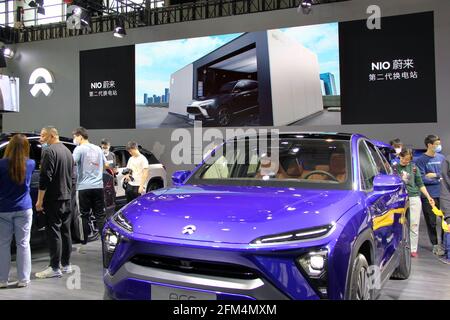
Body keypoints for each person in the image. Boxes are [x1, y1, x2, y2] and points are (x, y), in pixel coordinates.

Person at [35, 126, 74, 279]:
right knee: (65, 231)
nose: (40, 139)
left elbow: (45, 178)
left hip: (54, 199)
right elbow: (72, 176)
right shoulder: (67, 151)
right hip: (66, 197)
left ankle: (54, 267)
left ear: (51, 136)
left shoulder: (49, 151)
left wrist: (39, 200)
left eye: (43, 136)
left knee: (54, 232)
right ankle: (66, 264)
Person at [0, 135, 35, 288]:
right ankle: (23, 279)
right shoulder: (31, 163)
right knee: (23, 244)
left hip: (3, 209)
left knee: (3, 245)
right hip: (24, 208)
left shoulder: (1, 164)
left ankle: (2, 280)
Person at [392, 149, 434, 257]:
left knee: (414, 224)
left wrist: (428, 197)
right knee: (398, 223)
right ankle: (397, 247)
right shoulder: (394, 167)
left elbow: (420, 183)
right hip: (400, 198)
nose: (406, 161)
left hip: (414, 197)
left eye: (408, 160)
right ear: (400, 157)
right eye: (404, 159)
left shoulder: (414, 168)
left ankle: (413, 249)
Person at [72, 128, 108, 253]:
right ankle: (105, 241)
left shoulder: (79, 149)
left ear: (80, 136)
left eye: (75, 137)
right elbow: (106, 164)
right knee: (100, 215)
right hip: (98, 186)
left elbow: (72, 162)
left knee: (83, 215)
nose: (74, 139)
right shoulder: (98, 149)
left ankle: (83, 242)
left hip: (83, 187)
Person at [415, 134, 446, 256]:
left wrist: (435, 176)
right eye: (436, 144)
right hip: (429, 196)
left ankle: (445, 244)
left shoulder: (442, 157)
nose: (439, 146)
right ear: (429, 145)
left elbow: (445, 175)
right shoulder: (421, 160)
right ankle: (435, 244)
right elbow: (421, 179)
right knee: (431, 222)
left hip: (443, 194)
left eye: (439, 143)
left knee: (445, 220)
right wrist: (438, 178)